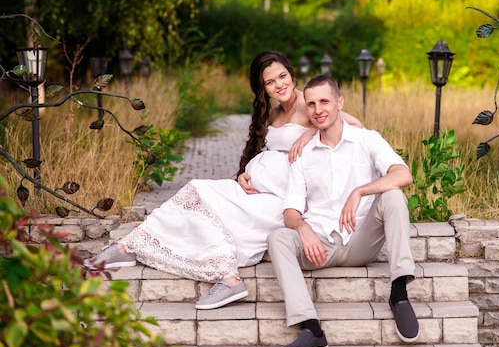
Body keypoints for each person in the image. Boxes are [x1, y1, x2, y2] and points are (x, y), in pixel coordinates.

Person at [87, 51, 362, 310]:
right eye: (269, 82)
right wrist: (246, 174)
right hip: (258, 191)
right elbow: (270, 152)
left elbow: (356, 126)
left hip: (286, 202)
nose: (279, 84)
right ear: (262, 88)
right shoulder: (274, 113)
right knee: (195, 192)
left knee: (211, 210)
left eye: (282, 76)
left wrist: (312, 131)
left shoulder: (309, 103)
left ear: (291, 74)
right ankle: (129, 247)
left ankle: (224, 278)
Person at [266, 75, 419, 347]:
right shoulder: (303, 153)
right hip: (320, 246)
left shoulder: (366, 139)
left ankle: (399, 293)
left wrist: (360, 191)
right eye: (311, 104)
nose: (318, 109)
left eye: (324, 101)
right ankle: (311, 330)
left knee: (393, 195)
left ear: (339, 102)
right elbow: (290, 211)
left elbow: (403, 175)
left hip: (361, 240)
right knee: (278, 238)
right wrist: (301, 227)